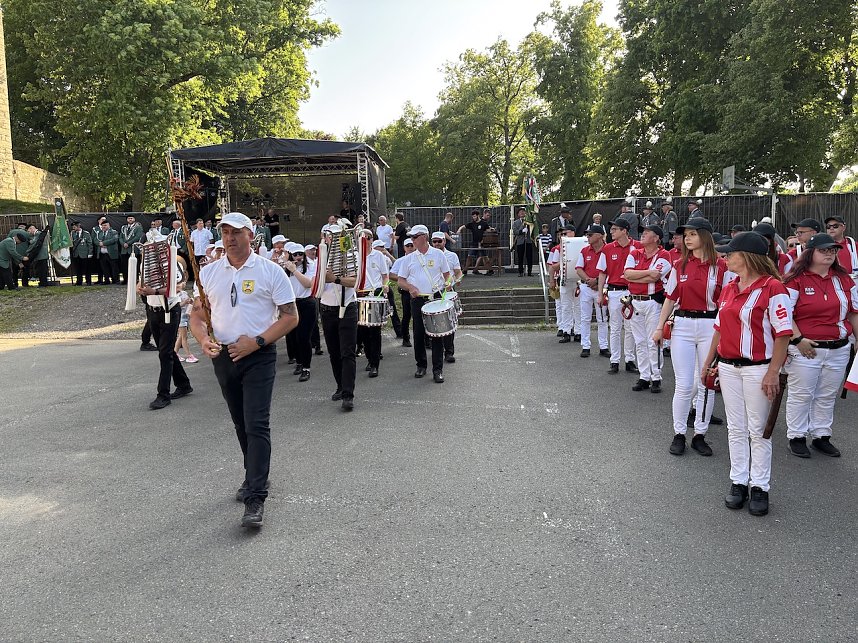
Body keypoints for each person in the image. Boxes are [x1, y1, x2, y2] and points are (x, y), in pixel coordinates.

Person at [190, 212, 299, 529]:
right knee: (240, 423)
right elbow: (197, 317)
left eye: (236, 232)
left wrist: (259, 342)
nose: (230, 237)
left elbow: (290, 317)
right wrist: (203, 340)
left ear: (251, 235)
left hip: (258, 356)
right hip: (223, 357)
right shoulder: (209, 273)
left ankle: (256, 497)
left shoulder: (270, 271)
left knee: (256, 423)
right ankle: (253, 475)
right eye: (224, 232)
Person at [702, 231, 793, 517]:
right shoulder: (730, 287)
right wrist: (709, 362)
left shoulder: (773, 287)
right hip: (729, 367)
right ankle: (738, 480)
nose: (725, 257)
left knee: (759, 430)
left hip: (758, 368)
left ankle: (760, 486)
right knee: (736, 428)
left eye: (731, 253)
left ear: (748, 257)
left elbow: (783, 335)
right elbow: (719, 329)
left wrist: (773, 373)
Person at [653, 218, 730, 456]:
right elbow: (670, 298)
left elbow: (727, 302)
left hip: (711, 325)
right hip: (683, 326)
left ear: (705, 236)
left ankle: (699, 434)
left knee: (704, 383)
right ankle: (678, 433)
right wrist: (659, 327)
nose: (687, 238)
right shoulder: (679, 265)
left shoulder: (723, 267)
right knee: (684, 384)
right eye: (685, 234)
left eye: (693, 234)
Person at [783, 233, 858, 458]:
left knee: (827, 395)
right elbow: (784, 314)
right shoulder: (795, 279)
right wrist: (797, 340)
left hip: (839, 347)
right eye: (823, 250)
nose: (829, 254)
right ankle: (796, 436)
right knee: (801, 394)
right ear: (810, 253)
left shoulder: (844, 279)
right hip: (806, 348)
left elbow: (853, 313)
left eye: (832, 250)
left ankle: (821, 436)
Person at [397, 225, 451, 383]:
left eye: (415, 237)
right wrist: (410, 287)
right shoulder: (409, 259)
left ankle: (438, 369)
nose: (412, 240)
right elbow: (400, 281)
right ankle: (421, 365)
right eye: (411, 237)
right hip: (418, 299)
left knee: (437, 334)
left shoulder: (438, 255)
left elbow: (448, 275)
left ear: (424, 237)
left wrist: (448, 283)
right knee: (419, 333)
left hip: (435, 298)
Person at [138, 256, 193, 411]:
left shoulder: (172, 264)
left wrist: (154, 291)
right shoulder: (147, 264)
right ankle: (183, 384)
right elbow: (141, 282)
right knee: (166, 350)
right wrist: (140, 288)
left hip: (169, 309)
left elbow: (178, 286)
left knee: (165, 353)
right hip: (153, 310)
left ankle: (163, 394)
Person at [624, 225, 672, 393]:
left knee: (654, 341)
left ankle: (656, 377)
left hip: (653, 302)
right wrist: (645, 275)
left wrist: (636, 276)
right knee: (639, 341)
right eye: (642, 232)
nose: (643, 234)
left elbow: (655, 276)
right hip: (635, 301)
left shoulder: (664, 255)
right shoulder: (634, 253)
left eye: (647, 232)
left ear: (656, 238)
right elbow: (627, 275)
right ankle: (644, 376)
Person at [596, 218, 640, 374]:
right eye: (612, 229)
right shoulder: (607, 249)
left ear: (624, 231)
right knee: (614, 327)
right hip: (614, 291)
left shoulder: (637, 247)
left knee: (630, 327)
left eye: (615, 229)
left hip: (631, 291)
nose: (611, 232)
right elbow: (602, 272)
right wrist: (601, 294)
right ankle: (614, 360)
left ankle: (629, 359)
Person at [319, 246, 359, 411]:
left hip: (347, 306)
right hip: (327, 309)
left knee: (347, 352)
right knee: (334, 352)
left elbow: (356, 281)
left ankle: (348, 395)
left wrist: (335, 279)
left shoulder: (352, 257)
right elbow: (314, 284)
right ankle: (340, 386)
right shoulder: (321, 257)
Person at [282, 244, 317, 383]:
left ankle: (306, 368)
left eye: (300, 254)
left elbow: (308, 284)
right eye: (295, 255)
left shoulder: (310, 267)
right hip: (291, 304)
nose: (298, 257)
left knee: (304, 337)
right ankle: (299, 362)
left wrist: (294, 270)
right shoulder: (286, 269)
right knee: (293, 337)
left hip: (307, 303)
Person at [357, 239, 390, 378]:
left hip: (375, 293)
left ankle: (375, 364)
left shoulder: (379, 255)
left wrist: (386, 285)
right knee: (363, 330)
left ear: (371, 240)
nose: (366, 241)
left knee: (375, 330)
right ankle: (370, 359)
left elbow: (385, 275)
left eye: (368, 238)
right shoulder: (355, 255)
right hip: (360, 293)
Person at [575, 224, 609, 358]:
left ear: (599, 236)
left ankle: (603, 346)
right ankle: (585, 346)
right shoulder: (584, 250)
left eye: (590, 235)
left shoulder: (608, 250)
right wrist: (590, 280)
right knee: (585, 318)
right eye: (587, 235)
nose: (587, 237)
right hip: (586, 287)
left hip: (601, 287)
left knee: (602, 318)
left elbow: (610, 270)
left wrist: (597, 281)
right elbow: (578, 268)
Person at [432, 231, 462, 362]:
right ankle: (436, 349)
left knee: (449, 321)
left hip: (447, 290)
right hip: (432, 291)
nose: (437, 244)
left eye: (439, 241)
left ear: (445, 241)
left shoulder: (452, 255)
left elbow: (458, 273)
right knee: (434, 321)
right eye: (434, 241)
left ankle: (449, 352)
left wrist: (454, 281)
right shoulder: (427, 256)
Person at [550, 224, 581, 343]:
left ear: (572, 233)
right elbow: (553, 265)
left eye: (565, 233)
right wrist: (564, 261)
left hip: (578, 280)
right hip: (564, 280)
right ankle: (566, 331)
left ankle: (578, 331)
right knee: (565, 306)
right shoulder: (558, 248)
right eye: (561, 234)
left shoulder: (581, 244)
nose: (562, 236)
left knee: (578, 307)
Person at [390, 238, 415, 347]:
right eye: (407, 245)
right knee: (406, 315)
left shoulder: (418, 259)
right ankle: (406, 337)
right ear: (404, 247)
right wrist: (402, 279)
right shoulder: (400, 261)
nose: (410, 247)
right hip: (406, 291)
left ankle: (425, 339)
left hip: (418, 290)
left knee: (419, 316)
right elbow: (391, 275)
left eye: (411, 245)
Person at [457, 210, 490, 275]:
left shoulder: (484, 223)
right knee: (469, 256)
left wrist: (486, 238)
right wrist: (459, 230)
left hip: (482, 243)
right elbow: (463, 226)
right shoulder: (472, 224)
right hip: (474, 243)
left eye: (475, 216)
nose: (473, 218)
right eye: (473, 216)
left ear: (478, 216)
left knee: (485, 257)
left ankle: (490, 270)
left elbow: (488, 230)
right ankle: (465, 270)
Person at [173, 283, 197, 363]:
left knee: (181, 337)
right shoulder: (174, 296)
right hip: (180, 318)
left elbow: (190, 300)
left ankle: (175, 353)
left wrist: (190, 301)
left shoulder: (184, 293)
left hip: (186, 316)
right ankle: (189, 355)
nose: (182, 284)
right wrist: (185, 302)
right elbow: (177, 306)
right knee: (184, 337)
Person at [119, 215, 143, 285]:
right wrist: (123, 243)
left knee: (134, 266)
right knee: (124, 266)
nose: (130, 219)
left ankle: (134, 280)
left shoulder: (138, 227)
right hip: (124, 249)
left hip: (133, 249)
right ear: (127, 220)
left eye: (131, 218)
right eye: (129, 218)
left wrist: (128, 243)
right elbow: (120, 237)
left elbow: (137, 237)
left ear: (134, 219)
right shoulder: (123, 227)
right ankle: (125, 279)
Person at [512, 207, 536, 277]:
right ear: (518, 214)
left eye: (523, 211)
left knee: (529, 257)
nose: (522, 213)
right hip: (520, 242)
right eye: (520, 212)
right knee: (520, 257)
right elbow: (515, 232)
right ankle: (520, 272)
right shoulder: (516, 222)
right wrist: (522, 230)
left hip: (528, 241)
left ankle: (529, 272)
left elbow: (533, 229)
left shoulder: (529, 221)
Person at [69, 221, 93, 286]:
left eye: (74, 226)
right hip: (76, 254)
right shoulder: (72, 234)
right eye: (73, 226)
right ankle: (79, 281)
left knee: (87, 269)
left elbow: (89, 244)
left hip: (84, 253)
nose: (73, 228)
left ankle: (88, 281)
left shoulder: (86, 233)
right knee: (78, 269)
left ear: (78, 226)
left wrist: (90, 253)